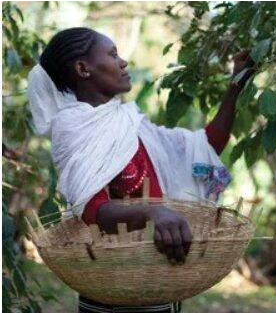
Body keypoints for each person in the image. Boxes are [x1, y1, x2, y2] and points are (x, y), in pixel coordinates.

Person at [27, 27, 255, 313]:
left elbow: (208, 144)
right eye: (112, 54)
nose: (123, 62)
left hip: (160, 282)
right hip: (113, 290)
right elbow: (93, 211)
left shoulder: (129, 124)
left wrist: (237, 82)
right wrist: (154, 212)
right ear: (83, 68)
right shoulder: (75, 129)